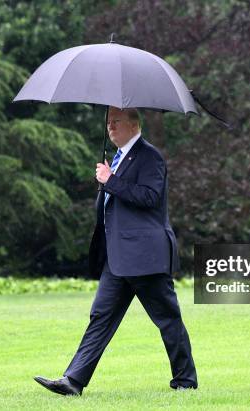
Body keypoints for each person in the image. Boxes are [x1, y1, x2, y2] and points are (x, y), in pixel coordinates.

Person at [34, 106, 198, 396]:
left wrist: (111, 181)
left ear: (134, 125)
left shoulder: (150, 157)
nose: (110, 127)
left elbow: (149, 197)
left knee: (167, 319)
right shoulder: (118, 159)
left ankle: (185, 381)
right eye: (109, 122)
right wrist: (108, 180)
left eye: (116, 122)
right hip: (118, 257)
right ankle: (73, 381)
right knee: (100, 317)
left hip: (146, 257)